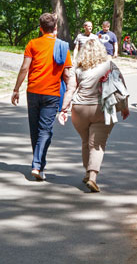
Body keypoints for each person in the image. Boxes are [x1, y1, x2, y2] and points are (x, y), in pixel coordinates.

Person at [58, 39, 129, 192]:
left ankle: (86, 172)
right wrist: (125, 108)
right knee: (97, 145)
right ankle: (92, 178)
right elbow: (122, 87)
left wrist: (64, 110)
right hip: (101, 109)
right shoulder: (109, 65)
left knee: (85, 142)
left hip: (79, 110)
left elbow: (70, 90)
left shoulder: (78, 68)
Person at [11, 13, 74, 181]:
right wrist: (71, 93)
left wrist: (16, 89)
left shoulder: (33, 44)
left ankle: (38, 165)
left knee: (34, 130)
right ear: (55, 28)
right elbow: (67, 75)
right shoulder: (62, 47)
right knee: (45, 130)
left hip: (33, 92)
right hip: (52, 94)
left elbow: (25, 68)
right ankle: (38, 165)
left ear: (40, 28)